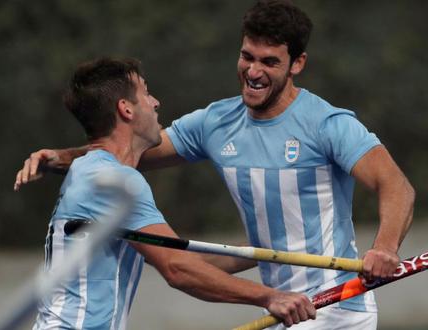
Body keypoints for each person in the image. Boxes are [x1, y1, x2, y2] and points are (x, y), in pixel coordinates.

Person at [16, 1, 415, 329]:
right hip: (282, 310)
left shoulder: (329, 124)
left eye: (270, 62)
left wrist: (384, 247)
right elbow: (125, 149)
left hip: (337, 310)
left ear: (297, 64)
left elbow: (396, 186)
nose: (254, 72)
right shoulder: (212, 124)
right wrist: (63, 157)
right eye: (247, 57)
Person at [31, 57, 316, 329]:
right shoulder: (112, 179)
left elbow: (188, 262)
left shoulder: (90, 171)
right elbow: (178, 269)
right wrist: (270, 297)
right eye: (146, 93)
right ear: (126, 109)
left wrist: (274, 248)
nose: (156, 102)